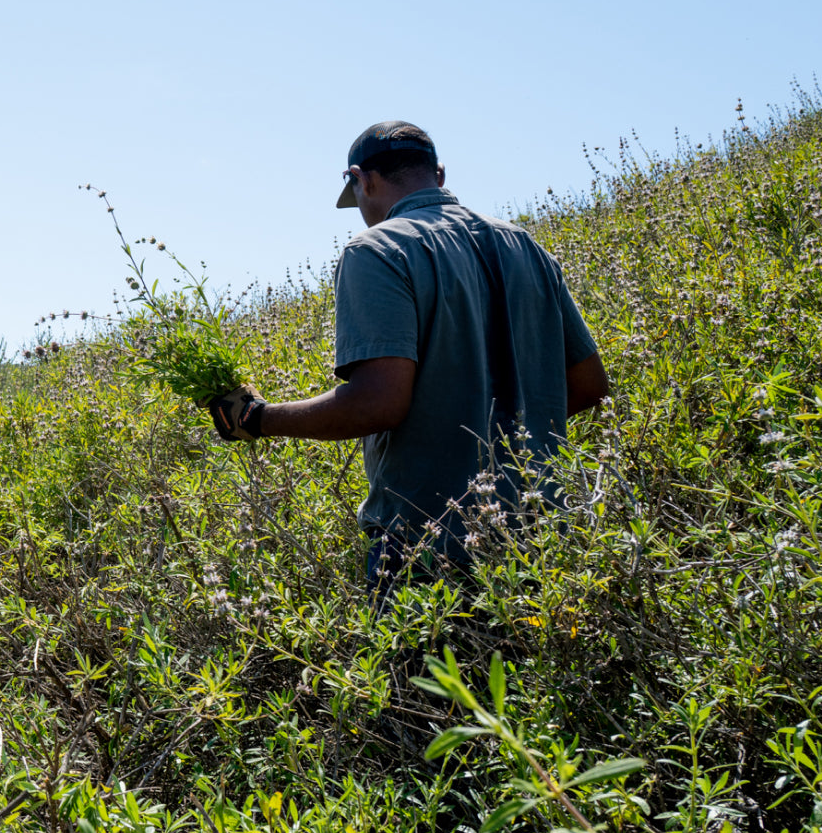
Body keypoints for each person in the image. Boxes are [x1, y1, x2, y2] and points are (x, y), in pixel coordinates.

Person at [208, 121, 608, 593]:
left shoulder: (378, 250)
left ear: (363, 179)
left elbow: (379, 402)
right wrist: (506, 428)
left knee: (424, 669)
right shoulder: (526, 246)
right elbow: (588, 387)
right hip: (544, 538)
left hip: (430, 543)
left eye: (356, 195)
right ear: (438, 174)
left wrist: (257, 419)